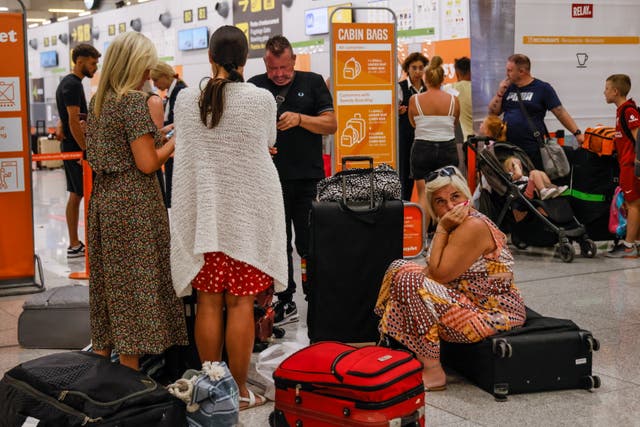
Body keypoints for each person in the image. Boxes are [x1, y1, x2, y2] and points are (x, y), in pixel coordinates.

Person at [170, 25, 288, 410]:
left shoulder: (187, 100)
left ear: (209, 57)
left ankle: (210, 390)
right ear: (245, 59)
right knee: (240, 304)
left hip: (205, 218)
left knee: (207, 302)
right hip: (247, 218)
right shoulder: (261, 99)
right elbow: (268, 141)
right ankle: (237, 392)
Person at [85, 32, 187, 371]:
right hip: (133, 204)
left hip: (104, 200)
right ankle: (128, 384)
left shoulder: (100, 99)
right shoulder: (131, 102)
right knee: (134, 289)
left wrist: (160, 135)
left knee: (109, 288)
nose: (149, 72)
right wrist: (179, 139)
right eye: (145, 65)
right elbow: (147, 162)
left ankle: (100, 374)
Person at [374, 165, 526, 390]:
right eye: (440, 202)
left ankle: (433, 370)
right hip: (469, 303)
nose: (450, 206)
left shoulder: (472, 225)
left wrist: (442, 227)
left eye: (455, 196)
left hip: (493, 315)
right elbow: (432, 272)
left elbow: (437, 274)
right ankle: (393, 344)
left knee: (409, 280)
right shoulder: (459, 223)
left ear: (467, 194)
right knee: (399, 268)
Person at [248, 35, 337, 325]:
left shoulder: (312, 82)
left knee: (311, 244)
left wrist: (300, 119)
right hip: (268, 180)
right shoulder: (255, 85)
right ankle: (286, 301)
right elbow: (244, 131)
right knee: (278, 243)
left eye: (285, 67)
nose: (280, 74)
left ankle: (318, 296)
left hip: (309, 178)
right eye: (274, 69)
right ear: (265, 64)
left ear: (294, 61)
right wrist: (260, 144)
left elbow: (331, 124)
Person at [488, 54, 584, 170]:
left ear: (522, 71)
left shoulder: (542, 88)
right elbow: (494, 112)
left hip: (531, 147)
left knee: (534, 180)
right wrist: (500, 92)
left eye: (510, 70)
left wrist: (577, 133)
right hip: (508, 146)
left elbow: (560, 112)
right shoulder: (509, 88)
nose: (506, 74)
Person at [55, 43, 101, 258]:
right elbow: (73, 121)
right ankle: (75, 243)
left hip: (72, 147)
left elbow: (68, 120)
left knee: (77, 194)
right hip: (75, 150)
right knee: (80, 194)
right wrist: (86, 150)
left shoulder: (70, 83)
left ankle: (75, 243)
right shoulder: (72, 85)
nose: (95, 68)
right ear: (80, 60)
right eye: (92, 63)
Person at [408, 55, 460, 225]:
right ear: (442, 78)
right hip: (447, 147)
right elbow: (454, 122)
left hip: (422, 147)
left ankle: (421, 239)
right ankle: (447, 232)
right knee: (448, 193)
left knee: (423, 194)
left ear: (426, 78)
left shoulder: (415, 100)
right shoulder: (453, 100)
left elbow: (412, 122)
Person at [479, 115, 567, 200]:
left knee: (540, 173)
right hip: (522, 190)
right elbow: (518, 175)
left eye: (482, 123)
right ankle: (543, 190)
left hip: (524, 188)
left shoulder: (491, 147)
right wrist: (516, 168)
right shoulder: (509, 171)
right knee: (534, 172)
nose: (480, 125)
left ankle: (551, 188)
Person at [603, 74, 640, 258]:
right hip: (625, 164)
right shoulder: (621, 111)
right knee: (632, 204)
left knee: (633, 205)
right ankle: (633, 243)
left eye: (607, 88)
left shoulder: (628, 111)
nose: (604, 92)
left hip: (631, 165)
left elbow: (638, 138)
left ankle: (629, 246)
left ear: (616, 91)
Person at [150, 62, 188, 208]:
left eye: (156, 80)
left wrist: (168, 135)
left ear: (165, 76)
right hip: (171, 146)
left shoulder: (179, 92)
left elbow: (180, 122)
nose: (155, 84)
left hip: (175, 149)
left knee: (174, 193)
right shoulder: (173, 93)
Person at [398, 52, 428, 200]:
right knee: (405, 181)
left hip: (424, 141)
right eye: (414, 68)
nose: (417, 72)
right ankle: (404, 216)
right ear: (407, 69)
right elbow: (387, 114)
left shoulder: (428, 90)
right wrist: (396, 112)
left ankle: (429, 221)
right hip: (405, 140)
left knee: (427, 182)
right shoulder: (399, 87)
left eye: (421, 68)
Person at [451, 57, 473, 142]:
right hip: (482, 138)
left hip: (464, 139)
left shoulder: (452, 88)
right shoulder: (479, 88)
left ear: (457, 73)